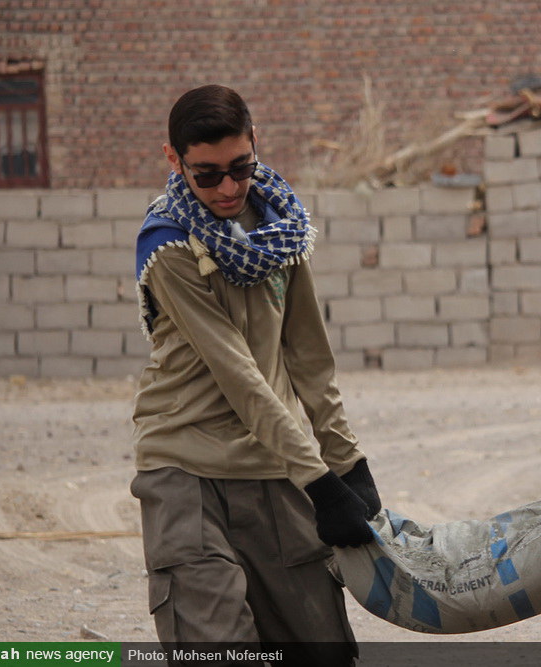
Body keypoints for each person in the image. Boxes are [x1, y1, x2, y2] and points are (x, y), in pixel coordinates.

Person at [131, 84, 379, 665]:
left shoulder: (282, 227)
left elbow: (309, 359)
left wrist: (349, 464)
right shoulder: (168, 244)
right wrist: (320, 483)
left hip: (272, 466)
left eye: (239, 169)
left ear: (255, 146)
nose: (227, 188)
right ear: (174, 160)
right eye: (207, 174)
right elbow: (238, 374)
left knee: (320, 647)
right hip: (185, 471)